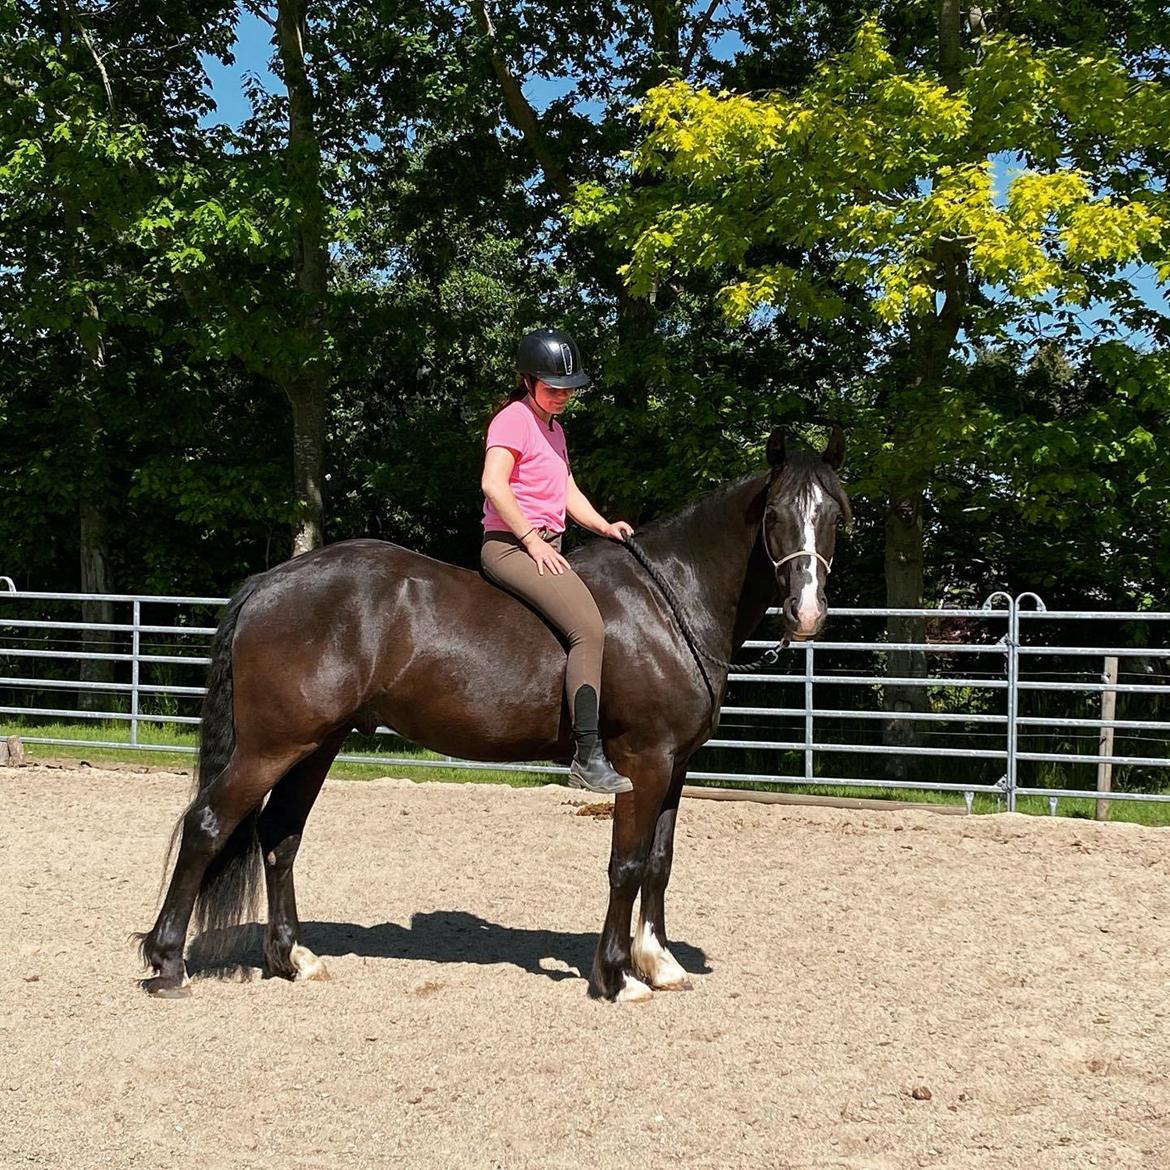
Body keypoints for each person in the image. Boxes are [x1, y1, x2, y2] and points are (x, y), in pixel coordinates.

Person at [480, 328, 635, 795]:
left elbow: (566, 492)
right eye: (553, 388)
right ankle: (587, 755)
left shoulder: (554, 428)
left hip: (546, 541)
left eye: (568, 388)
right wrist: (531, 539)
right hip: (509, 544)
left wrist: (604, 526)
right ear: (528, 381)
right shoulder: (512, 419)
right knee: (589, 628)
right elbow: (494, 484)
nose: (563, 395)